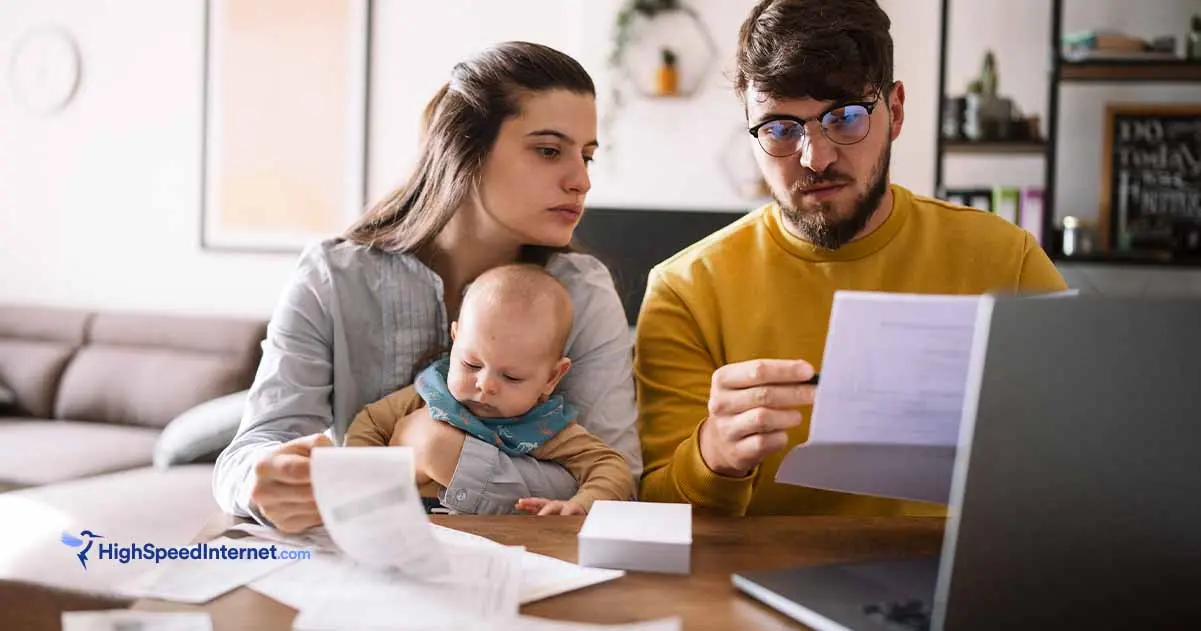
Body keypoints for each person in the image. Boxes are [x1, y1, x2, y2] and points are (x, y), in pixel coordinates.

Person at [635, 0, 1067, 517]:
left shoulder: (1006, 259)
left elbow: (1086, 450)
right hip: (754, 587)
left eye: (844, 118)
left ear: (897, 111)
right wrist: (714, 457)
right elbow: (654, 513)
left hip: (959, 579)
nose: (815, 158)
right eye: (779, 128)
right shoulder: (684, 290)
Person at [213, 42, 641, 533]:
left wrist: (443, 453)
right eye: (549, 151)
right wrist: (261, 481)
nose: (581, 180)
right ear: (465, 150)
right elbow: (248, 453)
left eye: (586, 156)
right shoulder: (332, 277)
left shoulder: (583, 292)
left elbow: (618, 478)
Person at [343, 263, 634, 515]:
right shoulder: (430, 394)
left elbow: (612, 469)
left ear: (552, 377)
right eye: (471, 364)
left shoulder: (545, 427)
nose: (486, 385)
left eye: (512, 377)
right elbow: (368, 423)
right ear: (455, 340)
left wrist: (582, 504)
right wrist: (362, 486)